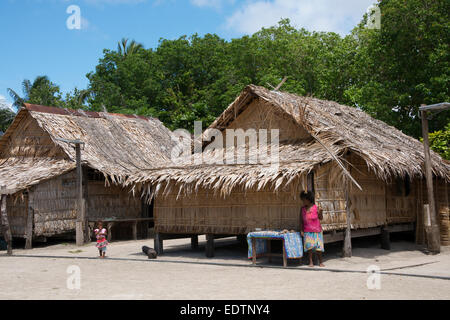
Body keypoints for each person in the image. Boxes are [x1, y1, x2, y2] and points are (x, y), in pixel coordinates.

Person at [300, 191, 325, 267]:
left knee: (318, 247)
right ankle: (311, 262)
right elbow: (300, 220)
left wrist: (320, 212)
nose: (303, 201)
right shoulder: (302, 209)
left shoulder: (316, 207)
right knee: (309, 247)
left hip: (317, 230)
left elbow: (321, 218)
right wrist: (301, 230)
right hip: (307, 230)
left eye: (304, 200)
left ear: (309, 199)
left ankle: (320, 262)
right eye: (302, 200)